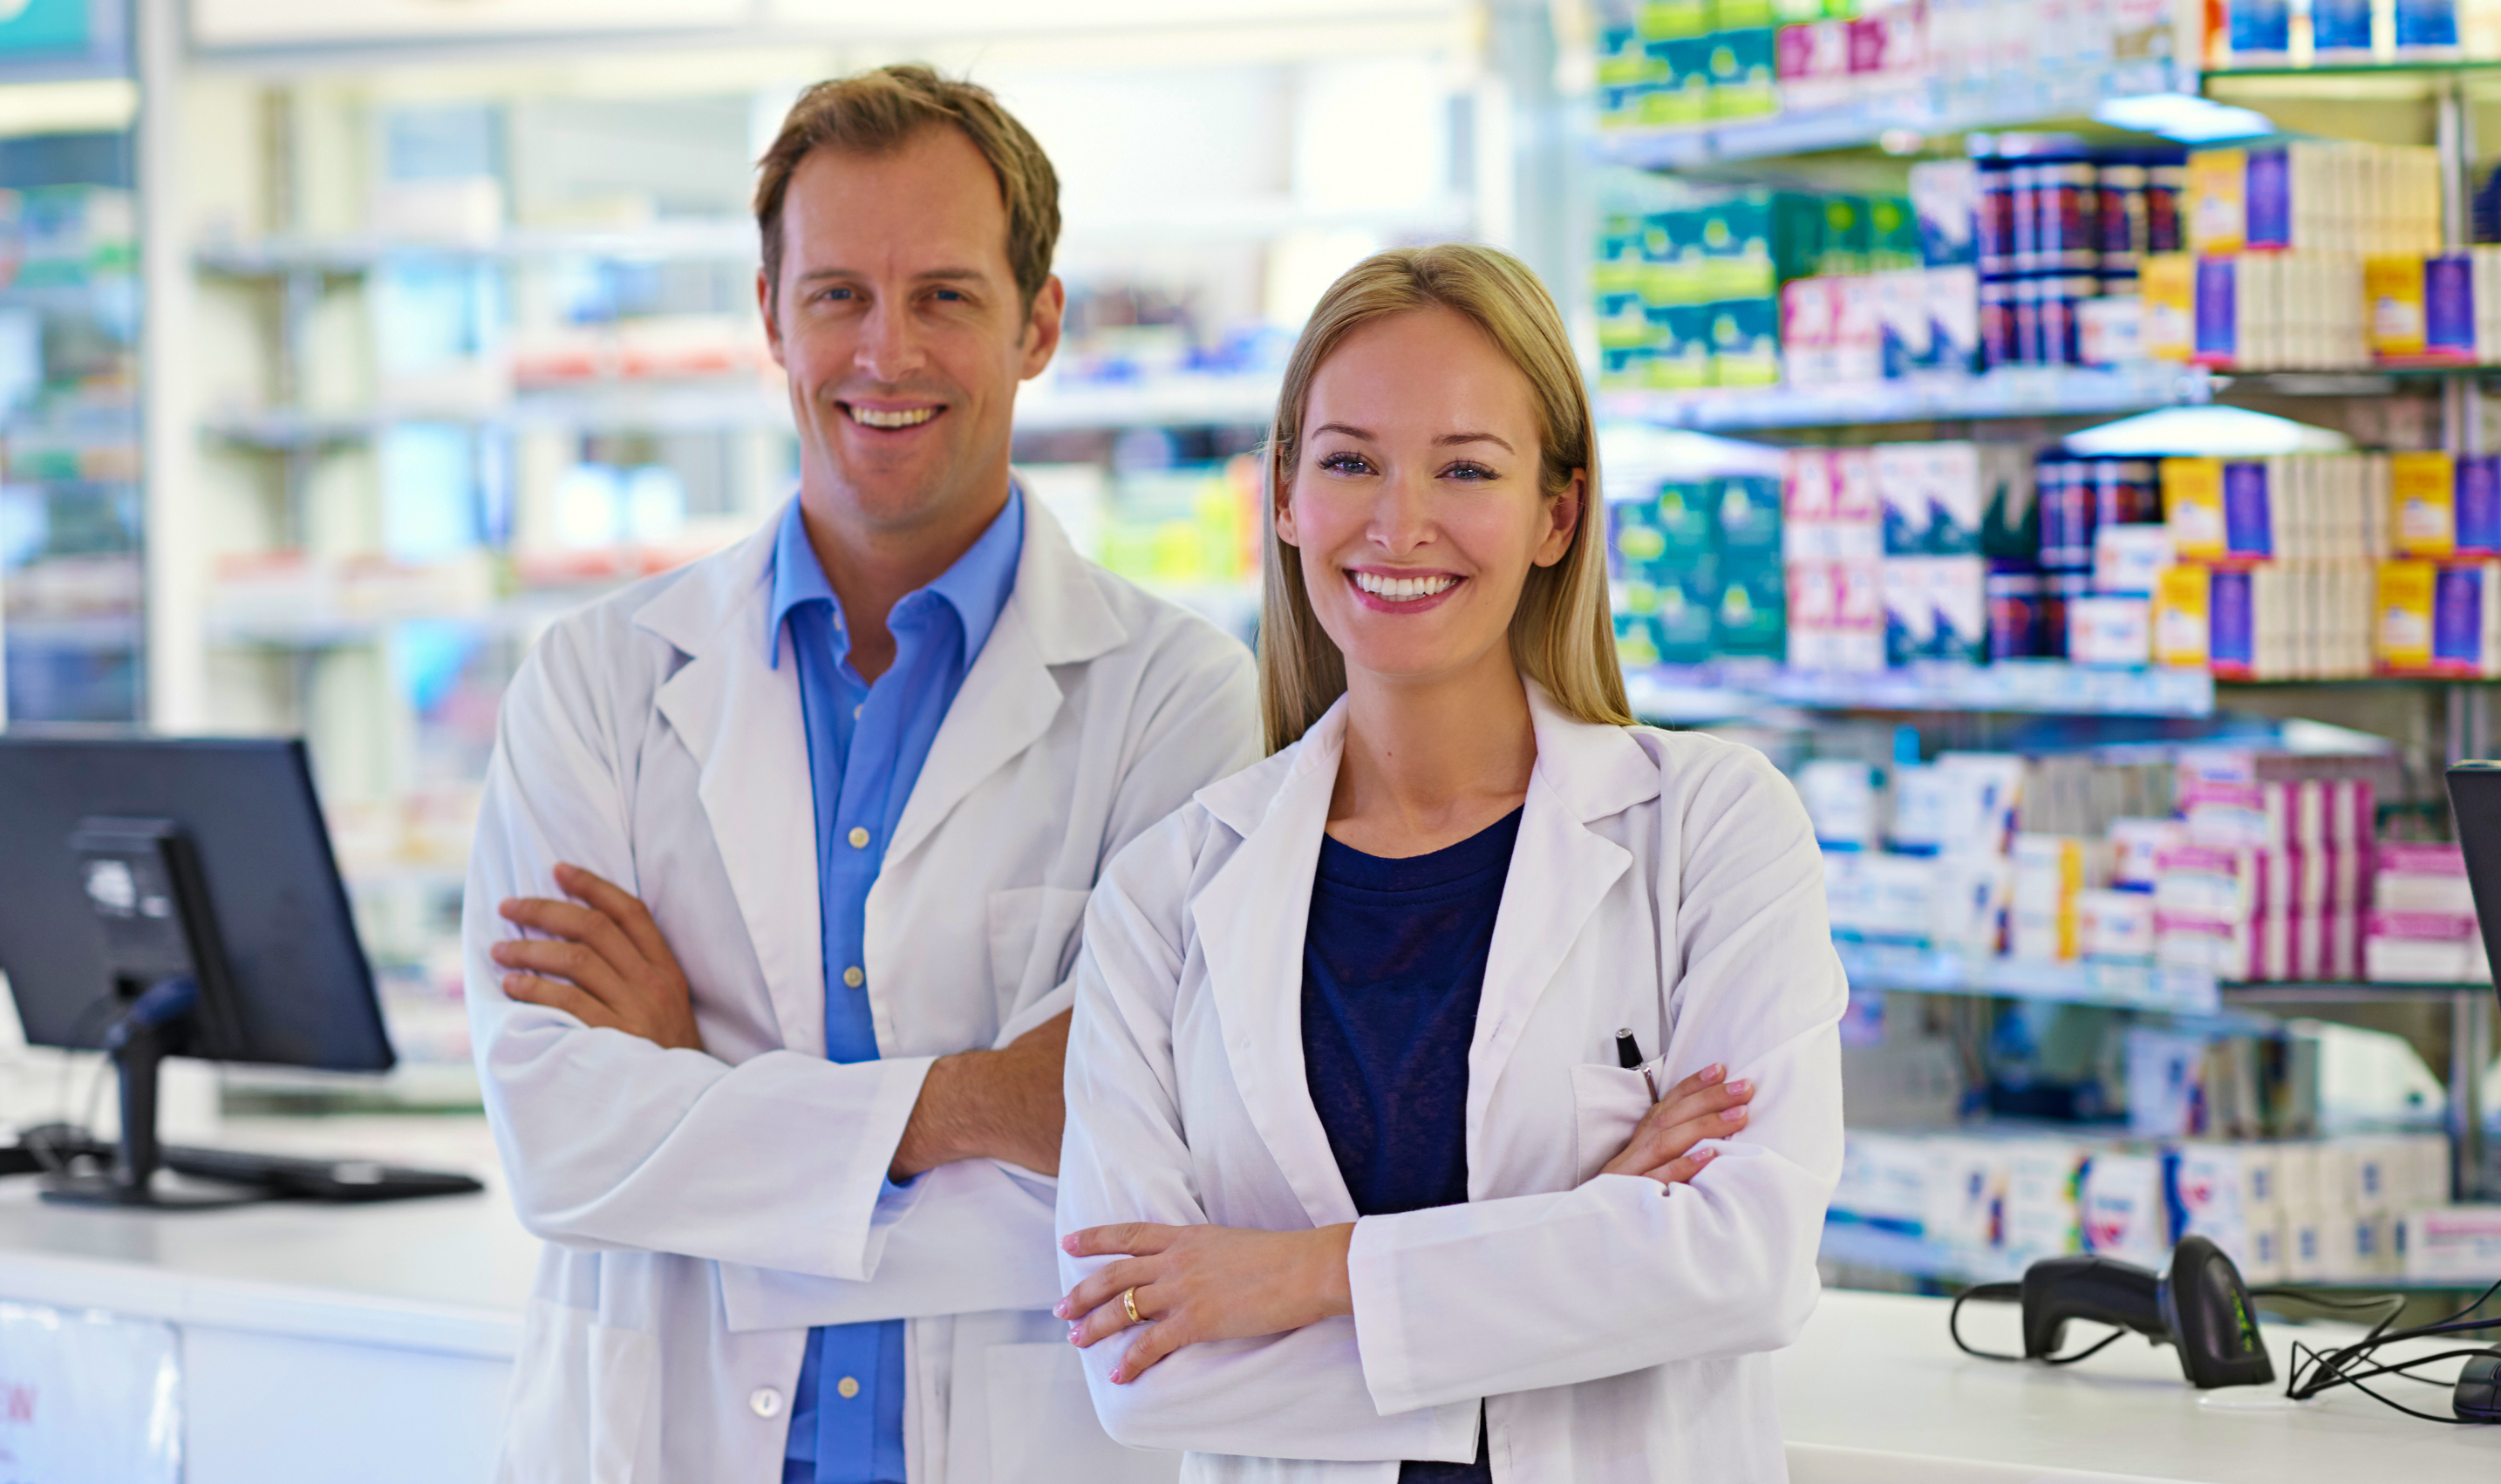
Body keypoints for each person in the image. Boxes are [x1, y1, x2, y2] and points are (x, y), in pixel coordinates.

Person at [462, 65, 1256, 1484]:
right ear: (771, 314)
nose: (886, 353)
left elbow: (1141, 1185)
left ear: (1041, 324)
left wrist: (695, 1101)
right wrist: (971, 1102)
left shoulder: (1179, 701)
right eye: (837, 294)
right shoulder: (597, 683)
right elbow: (561, 1145)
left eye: (946, 294)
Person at [1051, 243, 1845, 1482]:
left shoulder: (1710, 828)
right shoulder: (1168, 893)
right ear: (1284, 494)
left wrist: (1294, 1275)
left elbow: (1743, 1263)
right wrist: (1587, 1247)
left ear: (1556, 513)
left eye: (1465, 467)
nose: (1397, 520)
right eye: (1349, 460)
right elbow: (1137, 1365)